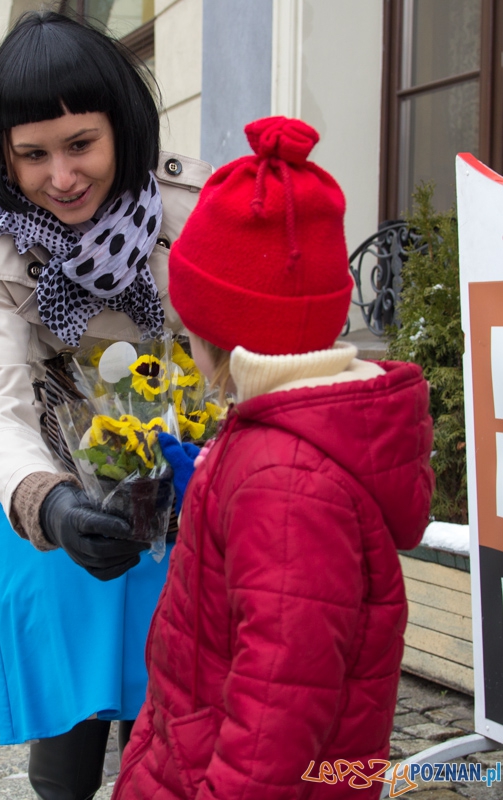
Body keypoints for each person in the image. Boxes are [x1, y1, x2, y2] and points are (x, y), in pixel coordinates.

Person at [113, 116, 435, 799]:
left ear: (219, 338)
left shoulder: (285, 483)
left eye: (188, 327)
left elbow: (279, 709)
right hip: (192, 751)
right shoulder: (278, 442)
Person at [0, 10, 211, 800]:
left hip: (178, 484)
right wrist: (50, 503)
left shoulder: (191, 209)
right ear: (1, 155)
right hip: (40, 487)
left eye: (80, 145)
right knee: (66, 720)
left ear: (121, 129)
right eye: (31, 155)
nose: (59, 177)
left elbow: (233, 362)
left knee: (169, 714)